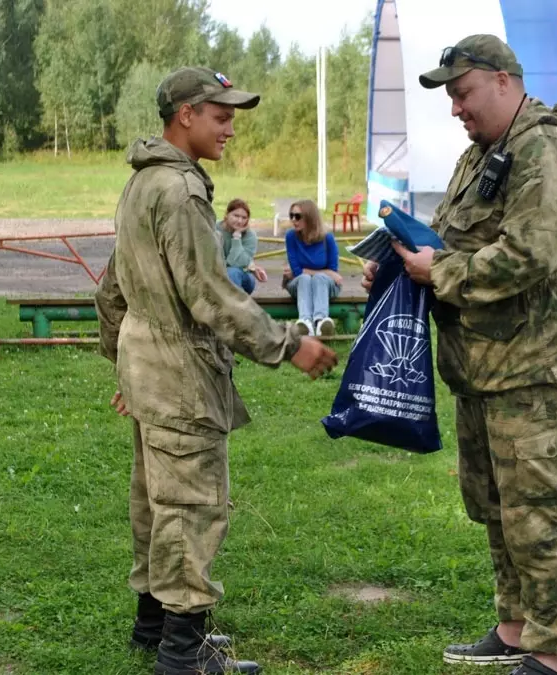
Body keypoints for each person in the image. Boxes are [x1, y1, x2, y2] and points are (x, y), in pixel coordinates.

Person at [371, 34, 557, 675]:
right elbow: (450, 237)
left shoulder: (543, 149)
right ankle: (515, 628)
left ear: (504, 81)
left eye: (463, 92)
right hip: (486, 367)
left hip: (538, 367)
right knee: (498, 508)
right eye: (450, 96)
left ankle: (555, 654)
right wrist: (401, 265)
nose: (455, 108)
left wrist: (438, 272)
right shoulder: (483, 154)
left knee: (538, 512)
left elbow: (530, 255)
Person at [94, 66, 338, 675]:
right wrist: (288, 344)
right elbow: (208, 293)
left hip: (150, 369)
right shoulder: (178, 192)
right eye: (221, 115)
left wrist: (124, 366)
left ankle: (154, 627)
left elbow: (111, 289)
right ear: (186, 115)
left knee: (154, 501)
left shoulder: (142, 183)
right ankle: (182, 654)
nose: (230, 128)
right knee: (190, 507)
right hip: (178, 374)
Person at [283, 199, 342, 337]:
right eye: (291, 215)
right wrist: (325, 272)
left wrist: (324, 273)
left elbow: (333, 269)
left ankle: (321, 322)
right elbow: (297, 271)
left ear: (310, 217)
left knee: (319, 278)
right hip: (299, 284)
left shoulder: (327, 238)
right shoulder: (291, 236)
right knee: (304, 278)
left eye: (297, 216)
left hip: (324, 285)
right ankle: (305, 323)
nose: (293, 220)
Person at [216, 198, 267, 294]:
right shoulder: (214, 229)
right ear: (227, 214)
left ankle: (234, 307)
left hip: (243, 276)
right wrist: (252, 266)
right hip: (216, 275)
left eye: (244, 218)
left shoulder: (250, 236)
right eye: (236, 216)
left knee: (232, 272)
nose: (240, 221)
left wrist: (236, 237)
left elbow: (235, 263)